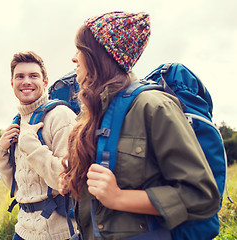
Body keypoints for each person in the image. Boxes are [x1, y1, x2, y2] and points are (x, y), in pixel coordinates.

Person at [59, 12, 220, 240]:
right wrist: (72, 179)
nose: (74, 59)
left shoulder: (154, 106)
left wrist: (118, 197)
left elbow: (201, 195)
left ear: (100, 56)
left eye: (80, 49)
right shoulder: (90, 114)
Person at [0, 51, 77, 240]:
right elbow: (17, 188)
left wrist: (31, 146)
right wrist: (0, 152)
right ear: (12, 83)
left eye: (33, 76)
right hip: (23, 230)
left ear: (45, 81)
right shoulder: (17, 122)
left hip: (58, 233)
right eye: (20, 76)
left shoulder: (61, 116)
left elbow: (67, 181)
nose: (26, 81)